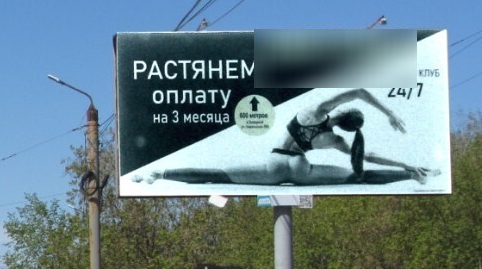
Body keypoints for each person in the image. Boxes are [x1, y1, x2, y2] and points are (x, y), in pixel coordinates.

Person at [134, 89, 440, 186]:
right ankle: (413, 173)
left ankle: (159, 174)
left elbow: (359, 92)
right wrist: (404, 162)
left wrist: (389, 112)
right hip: (303, 170)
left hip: (276, 164)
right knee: (358, 177)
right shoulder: (336, 141)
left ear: (341, 111)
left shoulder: (314, 111)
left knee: (217, 176)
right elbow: (367, 157)